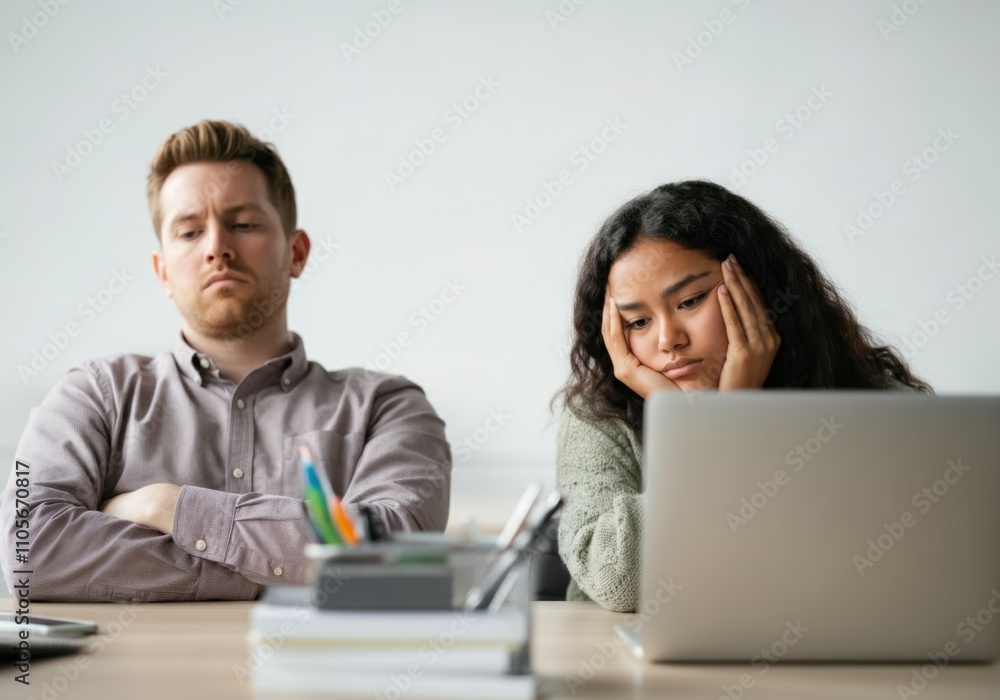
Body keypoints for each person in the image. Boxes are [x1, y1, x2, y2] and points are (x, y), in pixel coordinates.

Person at [1, 120, 451, 602]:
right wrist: (286, 571)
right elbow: (29, 548)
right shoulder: (94, 395)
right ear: (163, 271)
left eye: (243, 224)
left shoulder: (388, 407)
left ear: (296, 253)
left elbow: (396, 552)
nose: (217, 246)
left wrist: (166, 505)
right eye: (191, 231)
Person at [554, 180, 931, 612]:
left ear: (760, 289)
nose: (668, 340)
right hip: (640, 671)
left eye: (690, 300)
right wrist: (716, 423)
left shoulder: (871, 401)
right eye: (638, 322)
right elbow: (619, 580)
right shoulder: (598, 416)